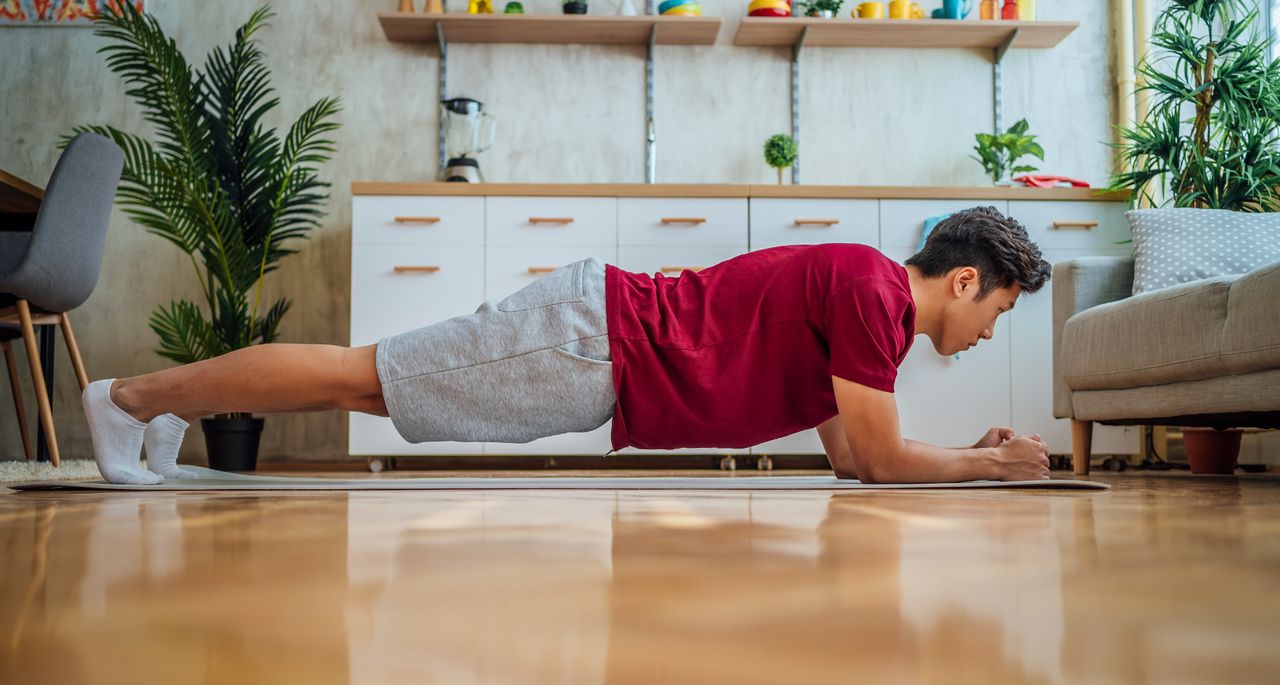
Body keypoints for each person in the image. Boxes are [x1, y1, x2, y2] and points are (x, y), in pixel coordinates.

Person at [81, 205, 1053, 485]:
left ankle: (161, 405)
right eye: (998, 311)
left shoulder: (864, 323)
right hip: (597, 343)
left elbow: (853, 462)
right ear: (963, 280)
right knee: (360, 380)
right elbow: (881, 459)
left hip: (598, 351)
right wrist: (997, 472)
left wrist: (965, 460)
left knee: (371, 389)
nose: (985, 332)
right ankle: (129, 400)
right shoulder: (871, 291)